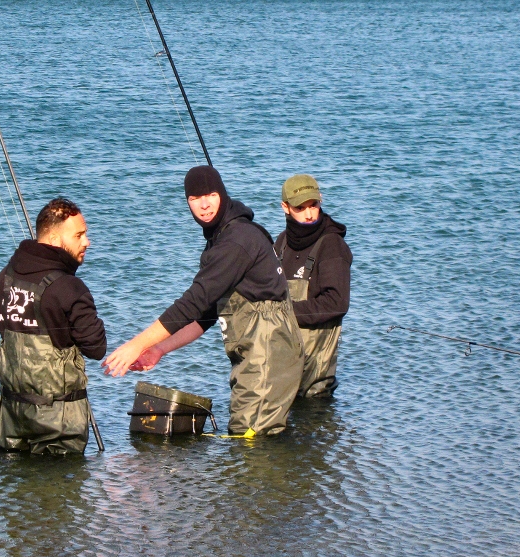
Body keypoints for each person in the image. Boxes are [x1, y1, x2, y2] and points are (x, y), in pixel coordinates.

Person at [102, 166, 304, 436]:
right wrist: (159, 349)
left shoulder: (237, 240)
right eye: (194, 199)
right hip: (255, 355)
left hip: (269, 353)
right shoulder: (220, 240)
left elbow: (193, 302)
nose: (204, 205)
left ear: (221, 193)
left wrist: (136, 345)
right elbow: (206, 314)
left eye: (210, 194)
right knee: (247, 436)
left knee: (250, 439)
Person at [0, 198, 106, 454]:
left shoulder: (3, 279)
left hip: (10, 421)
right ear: (53, 241)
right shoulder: (69, 288)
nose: (87, 242)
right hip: (59, 429)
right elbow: (96, 348)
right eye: (79, 235)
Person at [273, 174, 352, 398]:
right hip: (281, 369)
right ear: (285, 207)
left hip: (315, 381)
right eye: (300, 208)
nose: (309, 214)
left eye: (314, 205)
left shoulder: (332, 245)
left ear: (320, 200)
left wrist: (283, 312)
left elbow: (336, 303)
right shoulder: (280, 244)